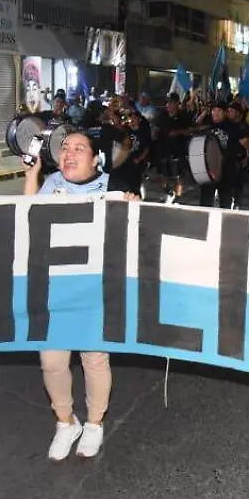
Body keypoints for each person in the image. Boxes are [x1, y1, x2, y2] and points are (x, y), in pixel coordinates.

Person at [23, 131, 138, 461]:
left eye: (79, 148)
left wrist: (134, 208)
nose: (69, 153)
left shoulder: (112, 187)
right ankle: (65, 422)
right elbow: (24, 218)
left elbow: (133, 238)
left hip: (95, 289)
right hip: (55, 288)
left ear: (95, 157)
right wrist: (32, 175)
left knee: (94, 358)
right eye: (65, 148)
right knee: (51, 360)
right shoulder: (52, 184)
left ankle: (94, 424)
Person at [200, 103, 249, 209]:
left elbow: (246, 142)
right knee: (205, 199)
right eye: (214, 110)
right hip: (209, 167)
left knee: (225, 198)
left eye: (219, 111)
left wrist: (245, 154)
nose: (216, 113)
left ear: (225, 113)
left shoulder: (232, 126)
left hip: (226, 167)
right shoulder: (208, 125)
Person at [156, 95, 197, 204]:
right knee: (162, 175)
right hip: (163, 148)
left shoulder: (184, 116)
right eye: (167, 103)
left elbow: (191, 130)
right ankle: (168, 192)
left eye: (170, 103)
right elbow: (157, 127)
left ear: (176, 104)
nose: (168, 105)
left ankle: (177, 198)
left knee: (178, 176)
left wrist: (179, 132)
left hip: (178, 149)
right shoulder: (162, 115)